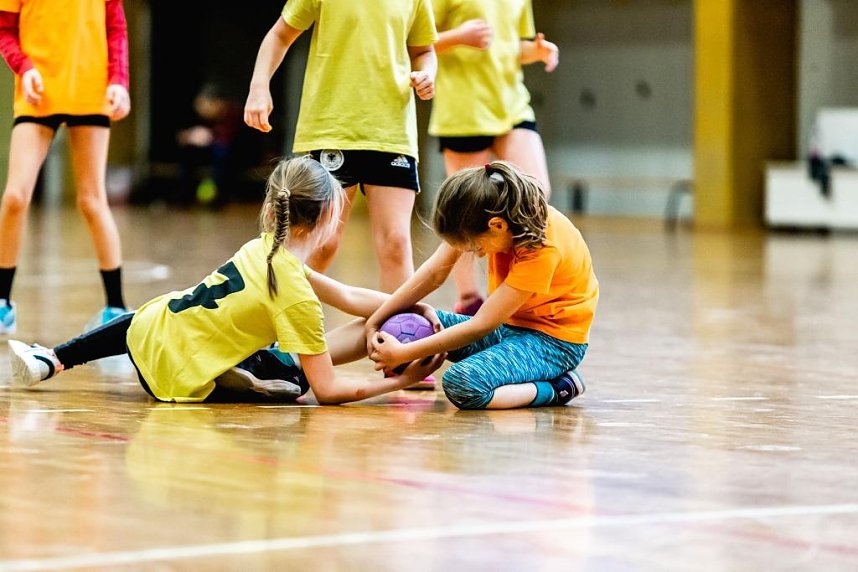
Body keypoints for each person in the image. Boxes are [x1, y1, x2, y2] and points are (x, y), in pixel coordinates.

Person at [7, 156, 444, 404]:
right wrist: (399, 381)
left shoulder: (263, 248)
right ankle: (244, 370)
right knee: (297, 376)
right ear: (330, 218)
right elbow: (327, 390)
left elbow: (345, 294)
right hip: (184, 378)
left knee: (150, 314)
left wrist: (406, 305)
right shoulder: (296, 297)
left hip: (152, 343)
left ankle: (53, 359)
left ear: (273, 209)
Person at [366, 161, 599, 410]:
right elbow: (434, 274)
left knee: (462, 384)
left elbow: (481, 325)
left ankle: (558, 388)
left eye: (475, 246)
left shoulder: (542, 249)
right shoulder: (484, 214)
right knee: (407, 319)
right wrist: (375, 321)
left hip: (552, 344)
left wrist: (404, 353)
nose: (477, 254)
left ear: (497, 225)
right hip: (507, 328)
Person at [243, 0, 437, 294]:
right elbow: (280, 35)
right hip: (330, 129)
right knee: (322, 242)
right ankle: (279, 317)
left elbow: (424, 51)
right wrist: (259, 87)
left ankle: (396, 323)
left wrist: (427, 74)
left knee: (396, 243)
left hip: (392, 132)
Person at [0, 0, 132, 335]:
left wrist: (119, 80)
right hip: (37, 96)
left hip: (91, 93)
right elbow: (5, 30)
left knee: (91, 200)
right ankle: (3, 304)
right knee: (15, 196)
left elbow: (116, 28)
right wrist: (24, 67)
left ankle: (116, 308)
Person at [429, 0, 559, 316]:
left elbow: (512, 46)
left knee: (536, 192)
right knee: (464, 211)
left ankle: (518, 289)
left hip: (512, 106)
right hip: (464, 109)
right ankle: (469, 300)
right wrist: (458, 37)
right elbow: (416, 43)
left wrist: (537, 51)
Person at [176, 82, 245, 207]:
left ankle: (219, 197)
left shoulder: (234, 113)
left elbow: (229, 139)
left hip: (236, 155)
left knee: (221, 152)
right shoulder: (198, 115)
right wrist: (190, 136)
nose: (199, 108)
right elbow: (182, 135)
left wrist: (210, 135)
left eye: (203, 104)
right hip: (209, 151)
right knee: (188, 151)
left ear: (217, 103)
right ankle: (184, 196)